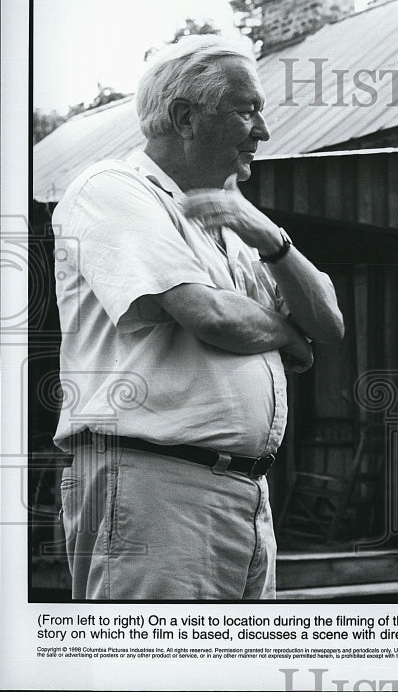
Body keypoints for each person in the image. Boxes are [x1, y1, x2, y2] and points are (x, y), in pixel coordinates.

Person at [52, 35, 344, 600]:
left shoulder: (231, 222)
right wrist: (289, 336)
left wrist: (268, 236)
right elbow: (208, 313)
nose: (263, 131)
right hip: (155, 485)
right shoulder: (111, 188)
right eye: (246, 110)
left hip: (243, 492)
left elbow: (328, 323)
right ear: (184, 117)